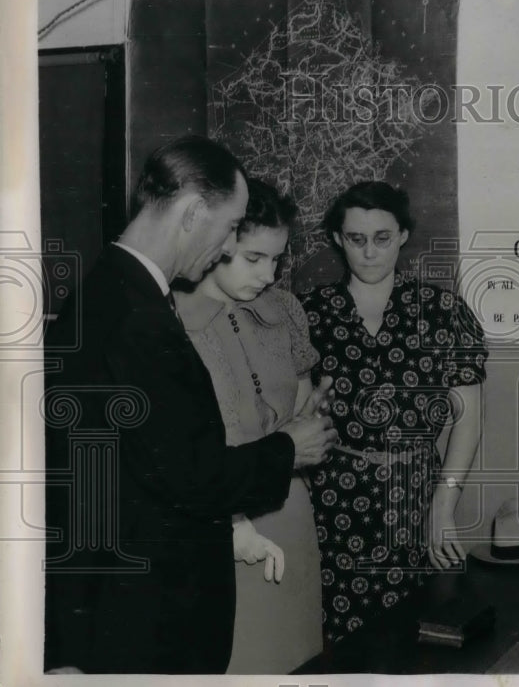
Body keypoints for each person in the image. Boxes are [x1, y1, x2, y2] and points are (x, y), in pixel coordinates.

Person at [44, 136, 337, 674]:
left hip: (121, 595)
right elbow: (189, 474)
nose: (227, 247)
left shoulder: (109, 292)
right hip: (147, 613)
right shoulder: (137, 316)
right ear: (194, 212)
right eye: (230, 228)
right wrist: (288, 447)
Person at [298, 181, 488, 648]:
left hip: (415, 498)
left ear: (402, 235)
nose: (368, 252)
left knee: (418, 639)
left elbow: (467, 418)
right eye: (356, 239)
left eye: (382, 238)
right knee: (338, 644)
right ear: (338, 239)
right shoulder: (310, 314)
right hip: (331, 504)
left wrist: (443, 504)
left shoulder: (443, 312)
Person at [174, 178, 328, 673]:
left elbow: (302, 406)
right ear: (217, 245)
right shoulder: (170, 318)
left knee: (296, 656)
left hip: (290, 505)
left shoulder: (284, 309)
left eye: (278, 259)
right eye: (253, 259)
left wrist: (315, 427)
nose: (269, 274)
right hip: (221, 515)